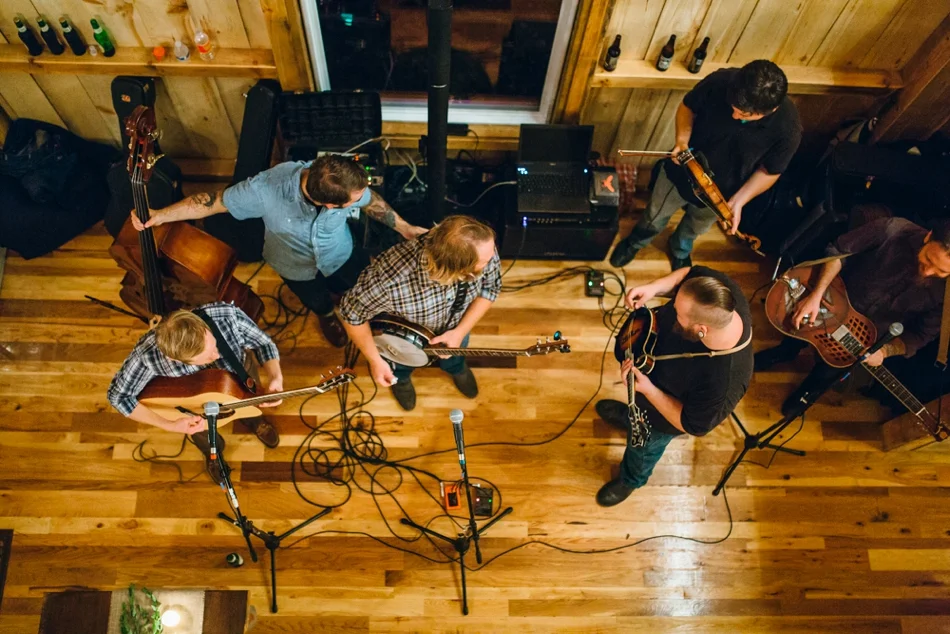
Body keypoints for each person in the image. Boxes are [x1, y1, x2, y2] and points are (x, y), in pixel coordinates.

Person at [130, 155, 427, 347]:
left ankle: (362, 317)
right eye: (351, 203)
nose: (358, 204)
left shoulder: (342, 181)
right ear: (329, 205)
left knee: (357, 286)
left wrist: (404, 227)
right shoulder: (264, 190)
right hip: (294, 265)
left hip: (341, 253)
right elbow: (211, 201)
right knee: (315, 299)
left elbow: (370, 200)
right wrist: (159, 215)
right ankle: (326, 314)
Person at [609, 60, 802, 271]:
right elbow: (687, 107)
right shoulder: (721, 80)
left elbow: (770, 171)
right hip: (682, 169)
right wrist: (681, 141)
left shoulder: (788, 129)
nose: (734, 116)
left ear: (771, 109)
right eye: (733, 108)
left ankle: (679, 249)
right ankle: (636, 241)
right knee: (655, 214)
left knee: (695, 227)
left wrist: (739, 200)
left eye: (745, 115)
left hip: (721, 193)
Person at [755, 217, 950, 415]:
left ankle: (808, 392)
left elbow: (920, 335)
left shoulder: (947, 294)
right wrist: (816, 294)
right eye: (928, 260)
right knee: (798, 328)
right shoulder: (892, 229)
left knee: (828, 372)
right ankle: (785, 352)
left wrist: (885, 352)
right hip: (833, 303)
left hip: (864, 336)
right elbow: (838, 252)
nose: (927, 272)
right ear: (928, 237)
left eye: (941, 271)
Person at [595, 266, 753, 506]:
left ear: (702, 330)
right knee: (634, 413)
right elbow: (688, 274)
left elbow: (691, 423)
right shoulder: (720, 290)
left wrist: (648, 389)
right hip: (647, 379)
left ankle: (631, 479)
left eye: (678, 313)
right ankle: (629, 417)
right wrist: (654, 288)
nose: (670, 309)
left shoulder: (723, 383)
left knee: (643, 450)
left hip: (660, 419)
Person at [107, 302, 284, 483]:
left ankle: (254, 420)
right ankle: (212, 452)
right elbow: (119, 396)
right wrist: (170, 425)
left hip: (241, 374)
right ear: (173, 358)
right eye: (205, 358)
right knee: (201, 429)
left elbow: (264, 344)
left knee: (251, 404)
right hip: (196, 406)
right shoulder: (148, 355)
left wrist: (275, 376)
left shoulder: (227, 316)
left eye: (214, 346)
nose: (215, 355)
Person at [338, 215, 502, 411]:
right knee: (401, 367)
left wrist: (459, 332)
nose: (492, 259)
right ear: (458, 270)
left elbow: (490, 289)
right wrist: (375, 361)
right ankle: (403, 380)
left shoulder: (482, 247)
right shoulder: (389, 280)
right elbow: (351, 314)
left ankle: (457, 369)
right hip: (402, 341)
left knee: (456, 357)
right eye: (485, 261)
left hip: (457, 327)